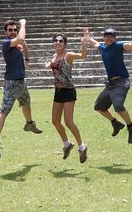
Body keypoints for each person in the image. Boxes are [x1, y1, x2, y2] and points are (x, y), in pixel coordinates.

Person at [0, 19, 42, 158]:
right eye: (10, 30)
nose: (13, 32)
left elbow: (24, 43)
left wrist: (27, 60)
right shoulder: (6, 43)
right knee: (4, 111)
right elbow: (22, 39)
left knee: (26, 102)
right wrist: (23, 24)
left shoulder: (17, 43)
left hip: (21, 81)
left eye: (15, 29)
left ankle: (29, 124)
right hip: (11, 83)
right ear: (5, 32)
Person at [88, 27, 132, 144]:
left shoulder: (118, 46)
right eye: (107, 36)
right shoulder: (102, 48)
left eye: (112, 36)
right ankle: (116, 123)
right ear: (104, 38)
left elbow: (131, 45)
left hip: (122, 81)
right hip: (110, 83)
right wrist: (88, 38)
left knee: (118, 106)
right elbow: (95, 44)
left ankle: (131, 127)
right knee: (99, 107)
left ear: (115, 38)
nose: (109, 38)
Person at [45, 28, 90, 163]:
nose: (57, 42)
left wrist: (84, 44)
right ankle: (66, 144)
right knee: (55, 121)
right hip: (58, 92)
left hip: (69, 91)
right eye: (56, 41)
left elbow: (83, 56)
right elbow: (53, 67)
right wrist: (48, 65)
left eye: (60, 41)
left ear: (64, 43)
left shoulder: (68, 55)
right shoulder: (54, 57)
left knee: (68, 122)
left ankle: (82, 147)